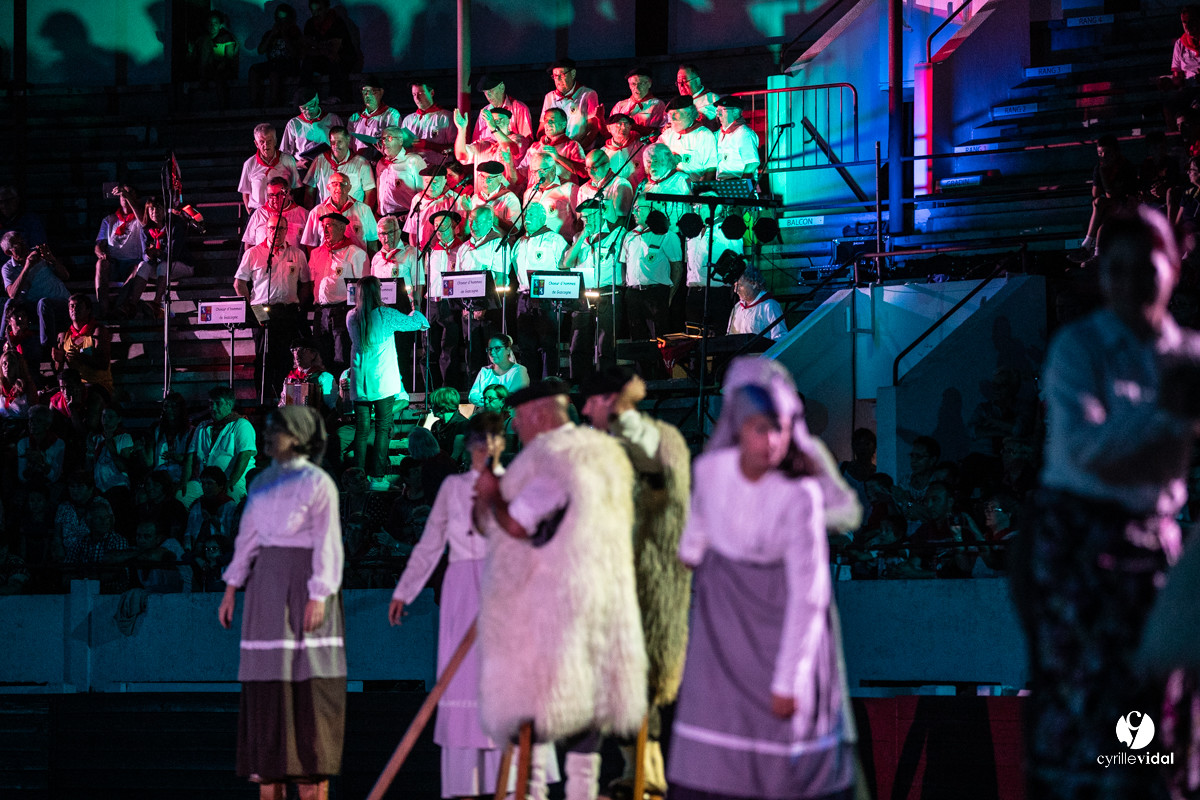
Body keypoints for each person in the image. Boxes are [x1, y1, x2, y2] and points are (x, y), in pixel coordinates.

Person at [1015, 206, 1200, 799]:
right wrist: (1164, 414)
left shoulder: (1191, 353)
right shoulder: (1079, 347)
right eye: (1115, 272)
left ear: (1172, 269)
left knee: (1158, 692)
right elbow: (1084, 448)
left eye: (1143, 270)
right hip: (1078, 539)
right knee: (1091, 689)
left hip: (1158, 537)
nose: (1129, 286)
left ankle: (1147, 787)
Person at [668, 356, 856, 800]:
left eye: (779, 425)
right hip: (724, 623)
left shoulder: (800, 489)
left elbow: (840, 519)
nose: (769, 438)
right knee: (718, 744)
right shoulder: (712, 471)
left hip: (779, 613)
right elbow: (693, 541)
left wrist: (788, 680)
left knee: (784, 753)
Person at [472, 381, 647, 800]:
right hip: (608, 599)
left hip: (562, 605)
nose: (514, 426)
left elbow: (517, 523)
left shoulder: (558, 458)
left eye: (517, 418)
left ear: (537, 414)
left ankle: (536, 794)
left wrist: (492, 493)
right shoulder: (606, 452)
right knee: (587, 707)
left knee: (546, 704)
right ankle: (579, 792)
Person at [390, 411, 560, 798]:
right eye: (479, 442)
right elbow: (431, 542)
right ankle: (467, 784)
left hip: (505, 589)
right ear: (468, 446)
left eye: (493, 441)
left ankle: (516, 780)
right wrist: (405, 590)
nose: (485, 449)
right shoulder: (452, 488)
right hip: (462, 593)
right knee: (464, 679)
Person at [218, 406, 345, 800]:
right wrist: (231, 585)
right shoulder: (261, 483)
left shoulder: (318, 481)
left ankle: (310, 764)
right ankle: (270, 757)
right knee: (268, 682)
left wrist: (320, 592)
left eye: (278, 430)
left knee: (308, 681)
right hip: (267, 586)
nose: (269, 436)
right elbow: (248, 536)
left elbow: (328, 540)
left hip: (304, 580)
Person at [579, 367, 691, 799]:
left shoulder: (651, 440)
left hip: (647, 580)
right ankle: (637, 768)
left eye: (592, 402)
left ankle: (648, 772)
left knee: (640, 682)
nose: (586, 410)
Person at [347, 275, 430, 491]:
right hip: (381, 380)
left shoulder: (351, 316)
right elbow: (417, 324)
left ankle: (358, 475)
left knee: (362, 429)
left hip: (360, 381)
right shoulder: (385, 315)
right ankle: (378, 477)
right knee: (383, 427)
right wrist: (415, 307)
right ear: (377, 292)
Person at [235, 218, 312, 402]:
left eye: (280, 229)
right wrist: (256, 312)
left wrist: (299, 306)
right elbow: (239, 284)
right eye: (272, 228)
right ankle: (264, 402)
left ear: (286, 231)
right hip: (262, 311)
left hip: (288, 312)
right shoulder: (254, 253)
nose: (276, 232)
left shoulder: (297, 254)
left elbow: (306, 283)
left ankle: (286, 401)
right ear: (266, 230)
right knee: (264, 359)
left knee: (287, 359)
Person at [308, 212, 369, 377]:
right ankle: (327, 395)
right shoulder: (316, 253)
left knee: (342, 356)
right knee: (321, 357)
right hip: (321, 312)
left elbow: (363, 287)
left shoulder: (355, 253)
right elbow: (311, 282)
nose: (325, 230)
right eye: (323, 226)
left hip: (343, 310)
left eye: (330, 225)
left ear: (342, 228)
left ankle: (343, 395)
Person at [1070, 135, 1139, 263]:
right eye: (1100, 153)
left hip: (1126, 204)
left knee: (1100, 203)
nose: (1103, 156)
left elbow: (1126, 196)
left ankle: (1086, 245)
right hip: (1109, 207)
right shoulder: (1099, 168)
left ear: (1116, 152)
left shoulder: (1126, 167)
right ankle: (1097, 254)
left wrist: (1106, 176)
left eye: (1107, 153)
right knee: (1102, 213)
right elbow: (1095, 193)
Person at [187, 386, 257, 504]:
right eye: (210, 404)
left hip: (233, 481)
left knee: (230, 500)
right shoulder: (202, 427)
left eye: (218, 403)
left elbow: (244, 455)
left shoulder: (241, 425)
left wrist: (230, 482)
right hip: (204, 482)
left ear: (229, 405)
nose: (212, 408)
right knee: (182, 496)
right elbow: (190, 456)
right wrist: (183, 481)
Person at [2, 231, 70, 351]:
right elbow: (12, 294)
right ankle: (3, 342)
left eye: (22, 242)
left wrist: (51, 259)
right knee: (9, 303)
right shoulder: (8, 268)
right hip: (34, 308)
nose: (23, 246)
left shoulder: (39, 254)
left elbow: (65, 276)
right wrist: (27, 266)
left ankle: (49, 348)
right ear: (8, 252)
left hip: (61, 303)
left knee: (44, 303)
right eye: (17, 245)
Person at [51, 293, 113, 398]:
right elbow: (58, 371)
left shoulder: (97, 332)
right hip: (74, 386)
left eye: (79, 306)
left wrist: (80, 356)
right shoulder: (63, 336)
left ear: (88, 310)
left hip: (98, 385)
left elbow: (103, 364)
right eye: (71, 306)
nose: (74, 309)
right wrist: (58, 360)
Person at [301, 173, 378, 253]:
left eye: (343, 184)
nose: (339, 187)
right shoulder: (317, 212)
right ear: (328, 187)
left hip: (357, 262)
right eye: (335, 184)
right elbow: (310, 244)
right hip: (328, 262)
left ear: (349, 188)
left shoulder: (364, 210)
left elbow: (372, 242)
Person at [304, 126, 377, 209]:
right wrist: (311, 212)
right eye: (333, 142)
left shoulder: (361, 163)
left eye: (339, 142)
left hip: (353, 214)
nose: (336, 146)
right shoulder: (320, 160)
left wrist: (364, 215)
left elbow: (370, 191)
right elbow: (309, 188)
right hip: (325, 215)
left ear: (348, 140)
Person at [248, 3, 304, 107]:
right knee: (254, 70)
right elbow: (261, 50)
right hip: (273, 63)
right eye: (279, 19)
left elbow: (295, 54)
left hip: (289, 64)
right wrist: (272, 35)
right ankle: (254, 102)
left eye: (284, 19)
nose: (281, 22)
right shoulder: (270, 33)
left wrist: (285, 35)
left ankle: (274, 103)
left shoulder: (294, 33)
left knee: (274, 73)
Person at [540, 58, 602, 149]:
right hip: (554, 152)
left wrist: (577, 149)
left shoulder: (588, 94)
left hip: (580, 151)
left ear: (573, 74)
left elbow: (593, 129)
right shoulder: (549, 97)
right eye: (555, 76)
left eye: (561, 74)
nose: (558, 79)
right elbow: (542, 128)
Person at [280, 88, 345, 173]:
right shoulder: (293, 124)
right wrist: (297, 164)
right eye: (304, 108)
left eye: (312, 105)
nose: (309, 111)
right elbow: (284, 155)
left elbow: (344, 146)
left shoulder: (333, 120)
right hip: (304, 170)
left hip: (329, 168)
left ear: (317, 99)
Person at [239, 124, 301, 213]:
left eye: (269, 141)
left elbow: (296, 188)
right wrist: (251, 214)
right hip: (259, 211)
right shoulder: (249, 164)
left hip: (283, 212)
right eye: (261, 142)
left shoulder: (288, 160)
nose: (266, 145)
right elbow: (245, 193)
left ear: (275, 141)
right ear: (256, 144)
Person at [243, 178, 309, 251]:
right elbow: (249, 245)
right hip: (264, 260)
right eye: (271, 195)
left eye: (279, 195)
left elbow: (310, 246)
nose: (275, 199)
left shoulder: (303, 214)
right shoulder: (259, 214)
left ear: (288, 192)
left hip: (293, 260)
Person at [375, 127, 427, 220]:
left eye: (389, 138)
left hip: (406, 216)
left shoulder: (413, 161)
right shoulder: (381, 164)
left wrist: (412, 216)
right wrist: (378, 213)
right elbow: (379, 192)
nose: (385, 142)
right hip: (384, 218)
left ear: (400, 141)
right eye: (383, 138)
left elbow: (424, 193)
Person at [467, 334, 529, 407]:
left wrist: (487, 399)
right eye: (490, 349)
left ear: (508, 350)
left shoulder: (519, 371)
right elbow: (472, 396)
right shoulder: (485, 371)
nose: (492, 353)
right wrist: (492, 400)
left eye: (497, 348)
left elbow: (514, 397)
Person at [728, 264, 787, 340]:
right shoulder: (737, 307)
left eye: (740, 285)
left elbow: (781, 337)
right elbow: (730, 336)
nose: (735, 290)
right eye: (735, 285)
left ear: (754, 284)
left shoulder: (769, 306)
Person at [403, 81, 455, 167]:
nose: (417, 98)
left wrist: (428, 145)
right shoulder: (408, 120)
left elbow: (454, 149)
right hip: (413, 170)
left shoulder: (446, 117)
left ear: (432, 93)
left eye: (421, 93)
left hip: (438, 171)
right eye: (414, 94)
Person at [472, 74, 534, 146]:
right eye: (485, 92)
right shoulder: (484, 112)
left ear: (502, 87)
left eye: (491, 91)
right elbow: (476, 141)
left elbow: (526, 141)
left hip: (511, 154)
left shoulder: (519, 108)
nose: (488, 95)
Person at [348, 75, 402, 154]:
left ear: (381, 92)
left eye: (372, 91)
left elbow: (395, 144)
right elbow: (349, 146)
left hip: (382, 162)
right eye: (364, 91)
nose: (367, 95)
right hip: (359, 163)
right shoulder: (354, 118)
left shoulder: (391, 115)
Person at [612, 66, 667, 139]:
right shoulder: (620, 105)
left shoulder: (657, 104)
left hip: (644, 146)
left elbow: (657, 131)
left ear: (649, 84)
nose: (637, 88)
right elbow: (610, 129)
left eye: (641, 84)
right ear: (629, 86)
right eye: (633, 84)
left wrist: (634, 127)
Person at [715, 95, 761, 180]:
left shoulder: (744, 134)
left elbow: (752, 163)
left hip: (736, 186)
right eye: (717, 111)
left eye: (722, 110)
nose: (718, 115)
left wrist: (742, 185)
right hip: (725, 186)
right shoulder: (721, 133)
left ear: (735, 111)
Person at [675, 63, 720, 127]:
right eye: (679, 82)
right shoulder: (676, 104)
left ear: (697, 81)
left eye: (684, 81)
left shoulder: (712, 99)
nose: (681, 86)